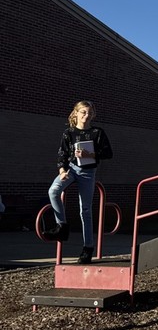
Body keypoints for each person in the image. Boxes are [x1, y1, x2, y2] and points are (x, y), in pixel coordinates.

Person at [43, 100, 114, 264]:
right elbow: (62, 154)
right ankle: (61, 226)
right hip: (71, 169)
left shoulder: (97, 132)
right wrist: (62, 171)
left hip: (88, 172)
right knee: (53, 191)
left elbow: (108, 153)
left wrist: (90, 153)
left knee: (85, 210)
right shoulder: (69, 133)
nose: (86, 116)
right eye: (83, 112)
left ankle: (88, 247)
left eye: (89, 113)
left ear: (93, 115)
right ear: (76, 113)